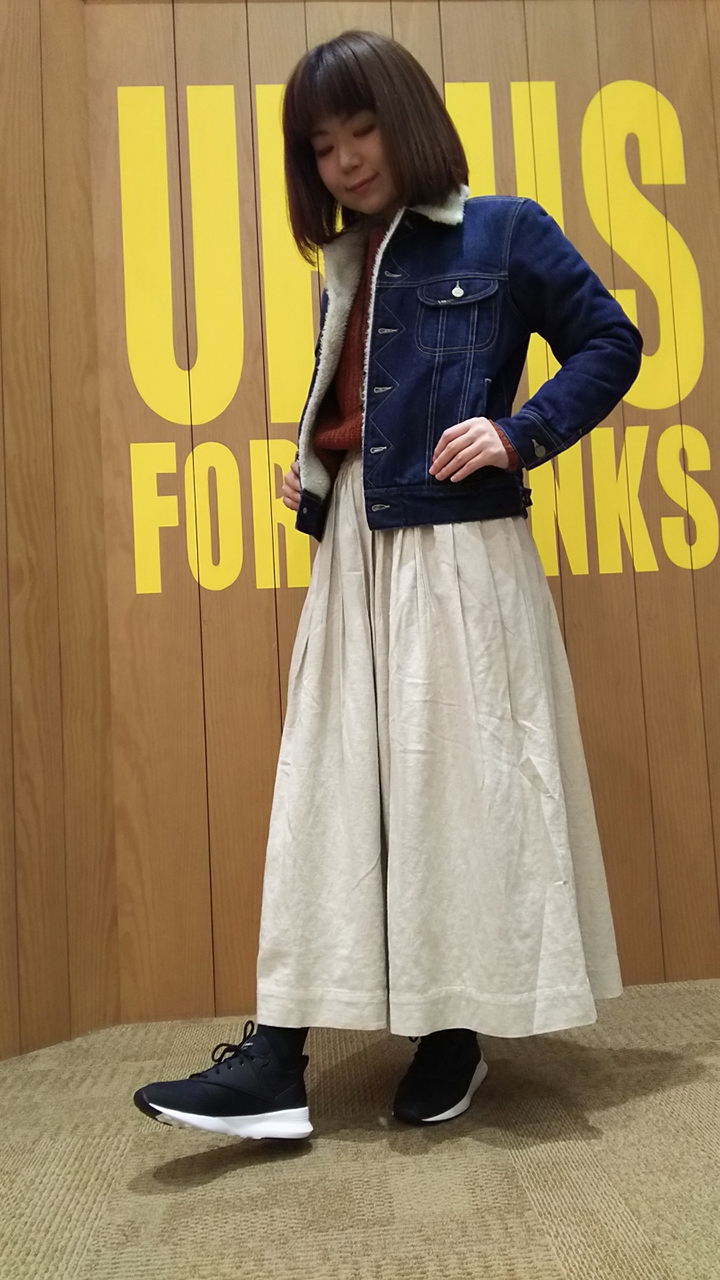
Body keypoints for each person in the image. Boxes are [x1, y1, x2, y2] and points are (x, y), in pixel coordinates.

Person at [133, 29, 642, 1141]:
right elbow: (361, 405)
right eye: (323, 145)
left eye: (363, 130)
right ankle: (276, 1060)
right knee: (329, 787)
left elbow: (611, 341)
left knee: (451, 789)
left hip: (458, 551)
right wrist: (320, 466)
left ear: (408, 119)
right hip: (356, 552)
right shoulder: (345, 260)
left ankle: (452, 1029)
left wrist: (519, 432)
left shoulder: (505, 229)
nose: (348, 159)